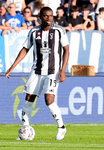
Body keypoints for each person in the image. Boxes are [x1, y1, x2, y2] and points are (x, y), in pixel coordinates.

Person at [5, 6, 69, 140]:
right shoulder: (34, 32)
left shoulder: (59, 31)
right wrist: (12, 67)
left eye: (51, 16)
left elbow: (66, 50)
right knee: (28, 99)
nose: (49, 18)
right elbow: (25, 49)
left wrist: (63, 70)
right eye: (46, 16)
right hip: (37, 70)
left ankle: (61, 127)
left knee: (49, 100)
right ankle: (25, 128)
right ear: (40, 17)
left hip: (53, 71)